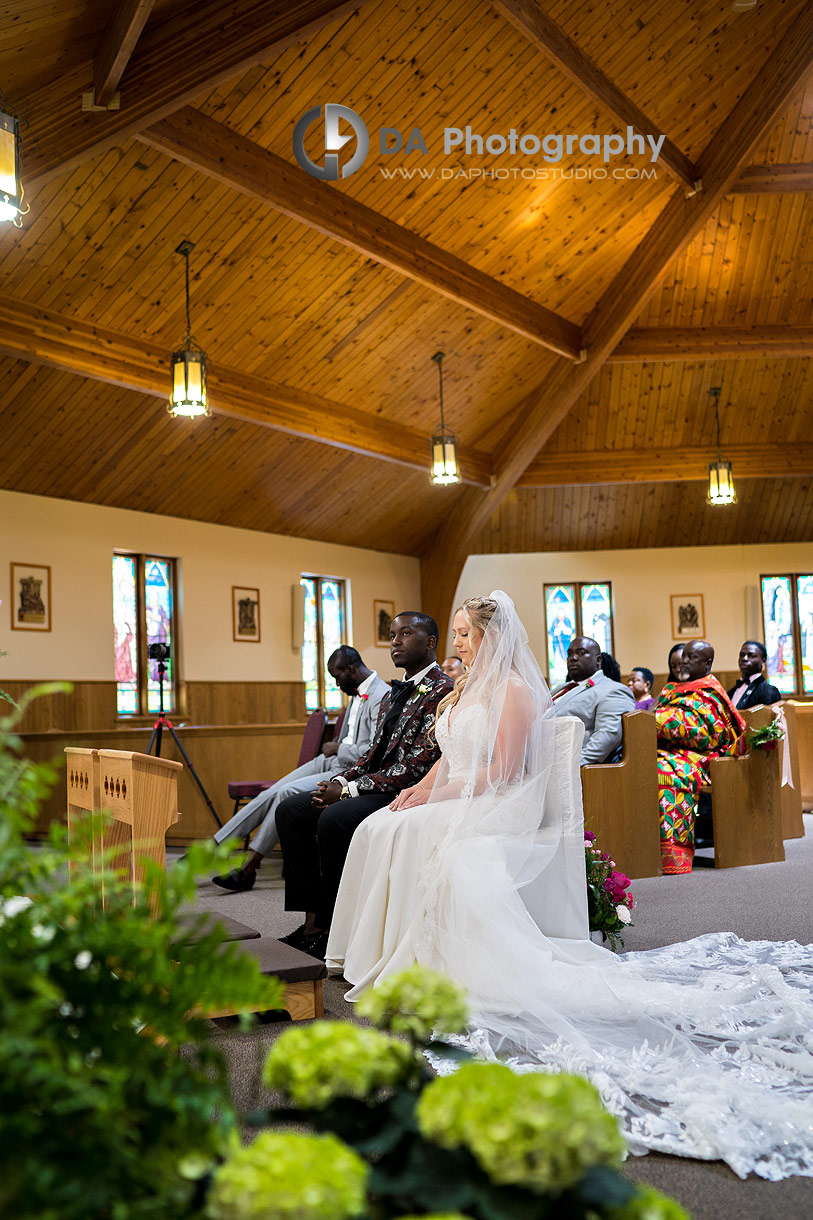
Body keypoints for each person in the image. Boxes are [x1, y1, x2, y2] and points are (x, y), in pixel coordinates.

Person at [326, 592, 813, 1181]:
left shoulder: (512, 691)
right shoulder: (462, 689)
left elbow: (502, 771)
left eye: (462, 634)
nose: (455, 644)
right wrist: (420, 788)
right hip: (463, 791)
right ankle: (372, 950)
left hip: (499, 803)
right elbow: (447, 757)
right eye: (453, 634)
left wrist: (435, 796)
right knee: (380, 825)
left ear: (490, 636)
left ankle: (420, 958)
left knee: (417, 840)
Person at [274, 612, 452, 959]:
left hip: (407, 790)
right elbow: (373, 753)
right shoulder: (390, 693)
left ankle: (336, 927)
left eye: (405, 633)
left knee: (334, 819)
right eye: (392, 635)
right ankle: (313, 923)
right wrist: (339, 780)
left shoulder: (443, 691)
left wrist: (350, 791)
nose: (395, 642)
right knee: (291, 811)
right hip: (377, 782)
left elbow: (417, 764)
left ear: (431, 642)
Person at [210, 647, 389, 892]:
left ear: (351, 669)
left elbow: (373, 750)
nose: (336, 684)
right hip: (330, 758)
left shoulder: (381, 695)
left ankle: (249, 867)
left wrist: (338, 748)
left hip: (348, 767)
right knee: (273, 791)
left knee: (287, 792)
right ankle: (215, 844)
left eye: (337, 677)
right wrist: (336, 749)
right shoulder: (356, 694)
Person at [655, 639, 746, 875]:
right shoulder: (672, 689)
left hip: (706, 758)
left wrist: (660, 722)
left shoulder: (710, 691)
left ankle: (673, 855)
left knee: (665, 773)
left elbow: (711, 733)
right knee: (642, 766)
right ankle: (645, 849)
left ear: (707, 663)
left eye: (691, 658)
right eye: (683, 656)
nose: (684, 662)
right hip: (670, 750)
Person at [551, 637, 634, 763]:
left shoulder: (612, 690)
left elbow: (606, 737)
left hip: (568, 765)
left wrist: (571, 767)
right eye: (570, 654)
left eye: (581, 652)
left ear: (598, 660)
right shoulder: (561, 688)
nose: (573, 658)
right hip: (538, 761)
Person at [728, 640, 782, 709]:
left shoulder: (769, 691)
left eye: (751, 656)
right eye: (742, 655)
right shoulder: (730, 693)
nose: (744, 659)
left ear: (763, 660)